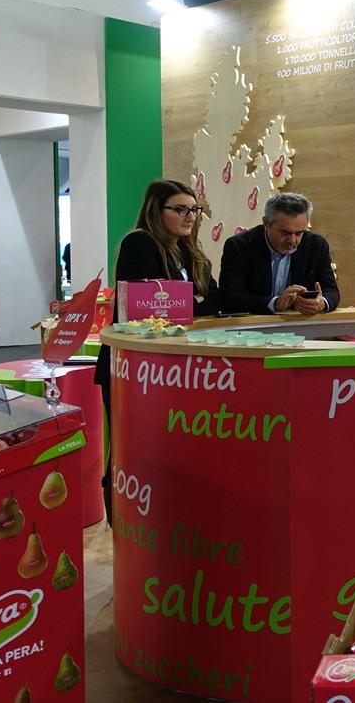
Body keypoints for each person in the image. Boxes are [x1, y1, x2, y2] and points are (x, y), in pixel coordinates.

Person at [94, 178, 221, 523]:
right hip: (132, 366)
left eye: (194, 209)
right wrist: (190, 301)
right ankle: (122, 520)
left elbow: (214, 298)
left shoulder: (191, 252)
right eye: (180, 209)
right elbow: (150, 304)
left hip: (170, 365)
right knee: (130, 446)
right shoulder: (140, 243)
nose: (190, 216)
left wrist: (185, 301)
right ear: (156, 210)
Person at [219, 192, 340, 315]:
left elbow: (331, 291)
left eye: (299, 233)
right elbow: (230, 297)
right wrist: (275, 303)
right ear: (266, 224)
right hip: (253, 324)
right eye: (285, 233)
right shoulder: (239, 246)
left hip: (298, 324)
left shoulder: (317, 245)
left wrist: (322, 303)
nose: (292, 240)